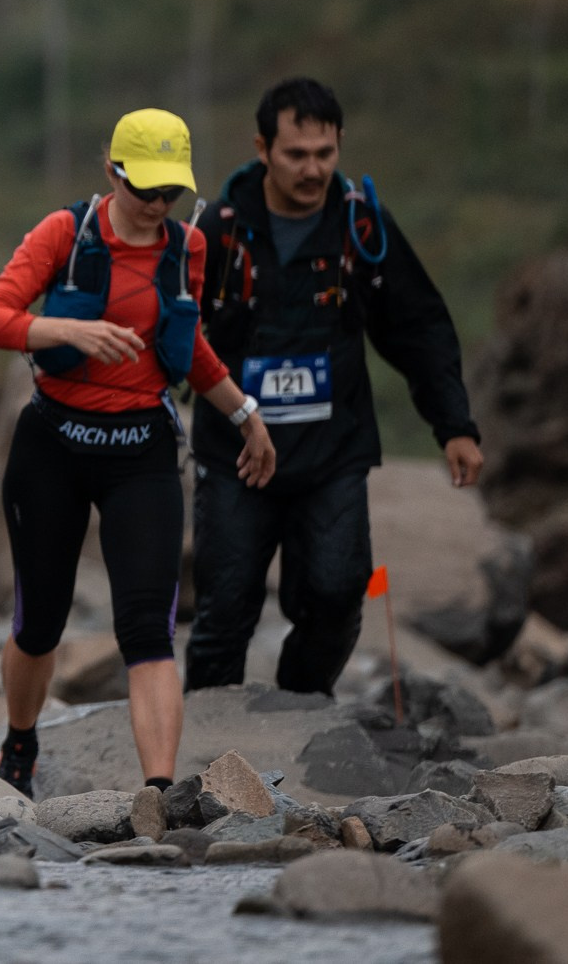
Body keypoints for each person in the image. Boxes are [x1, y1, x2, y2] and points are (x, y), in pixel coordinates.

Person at [0, 108, 275, 799]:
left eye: (172, 193)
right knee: (39, 622)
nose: (159, 206)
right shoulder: (65, 234)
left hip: (141, 451)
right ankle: (20, 742)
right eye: (147, 192)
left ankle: (158, 795)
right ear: (114, 172)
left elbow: (187, 346)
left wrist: (246, 412)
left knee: (148, 629)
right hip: (53, 445)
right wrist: (68, 329)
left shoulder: (187, 247)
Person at [184, 77, 482, 696]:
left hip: (332, 456)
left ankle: (300, 707)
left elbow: (418, 325)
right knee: (225, 610)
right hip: (236, 456)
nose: (312, 169)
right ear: (263, 148)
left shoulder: (361, 228)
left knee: (339, 593)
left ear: (340, 144)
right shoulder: (220, 231)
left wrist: (453, 424)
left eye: (325, 153)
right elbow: (172, 330)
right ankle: (202, 757)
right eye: (296, 155)